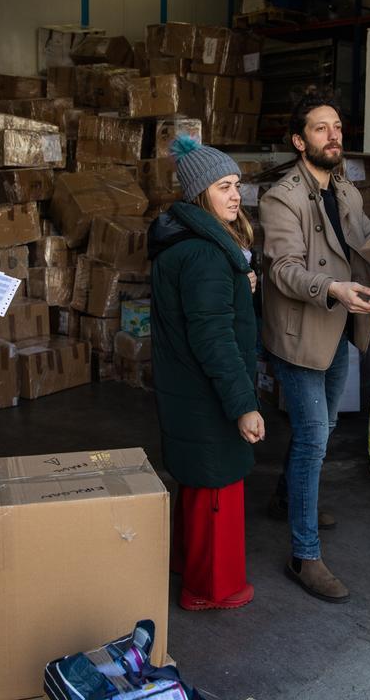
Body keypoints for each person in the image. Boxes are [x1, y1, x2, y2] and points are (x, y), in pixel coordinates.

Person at [259, 89, 370, 603]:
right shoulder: (280, 198)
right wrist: (332, 289)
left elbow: (364, 241)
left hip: (338, 326)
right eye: (320, 128)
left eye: (337, 127)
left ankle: (287, 497)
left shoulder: (346, 189)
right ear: (298, 140)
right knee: (313, 435)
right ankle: (303, 555)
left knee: (326, 425)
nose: (334, 136)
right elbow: (283, 269)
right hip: (300, 331)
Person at [148, 135, 264, 611]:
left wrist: (240, 283)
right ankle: (211, 589)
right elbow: (215, 339)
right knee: (216, 487)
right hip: (207, 396)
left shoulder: (186, 242)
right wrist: (244, 405)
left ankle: (186, 565)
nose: (235, 195)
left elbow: (204, 311)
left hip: (187, 392)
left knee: (197, 485)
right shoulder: (207, 254)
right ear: (200, 194)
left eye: (236, 185)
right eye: (223, 186)